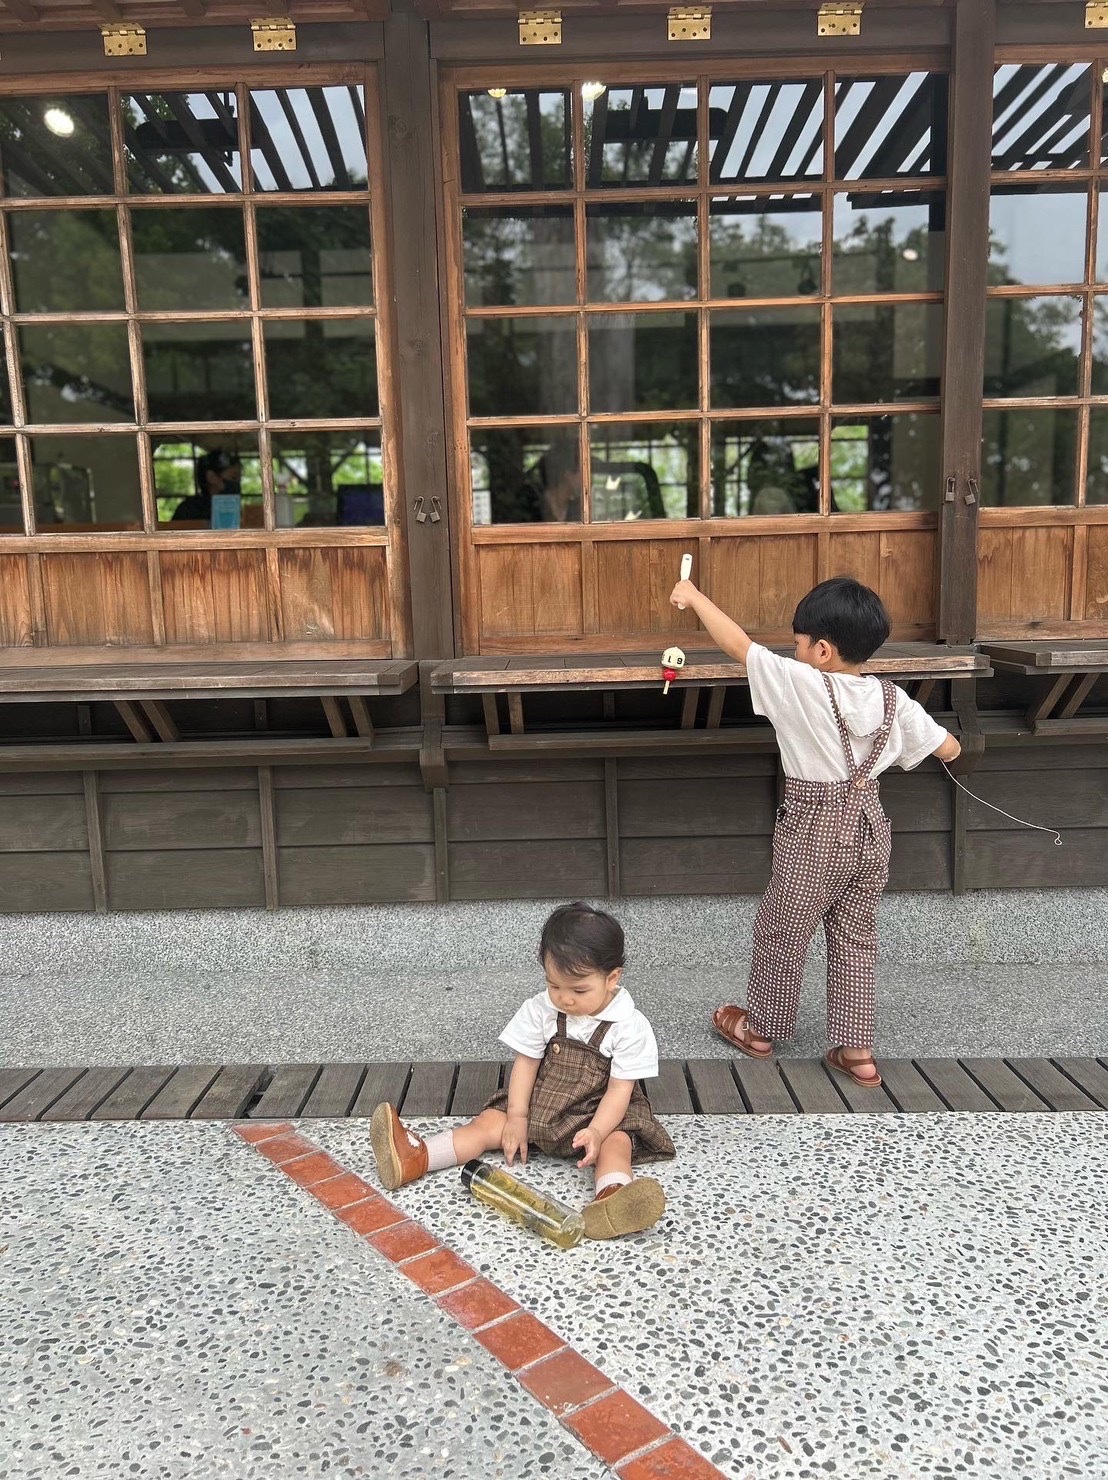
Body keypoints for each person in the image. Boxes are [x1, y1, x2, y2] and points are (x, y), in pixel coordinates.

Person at [669, 574, 962, 1090]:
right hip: (870, 828)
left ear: (822, 650)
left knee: (784, 929)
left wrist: (693, 597)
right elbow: (949, 749)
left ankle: (761, 1029)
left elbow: (739, 645)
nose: (794, 652)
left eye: (799, 643)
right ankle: (857, 1051)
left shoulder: (800, 683)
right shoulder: (892, 698)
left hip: (813, 828)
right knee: (855, 936)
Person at [370, 902, 675, 1240]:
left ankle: (611, 1198)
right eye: (554, 985)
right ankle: (417, 1157)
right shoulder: (542, 1009)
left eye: (579, 990)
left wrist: (597, 1132)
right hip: (540, 1106)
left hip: (597, 1113)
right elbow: (527, 1063)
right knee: (487, 1124)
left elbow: (619, 1091)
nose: (565, 999)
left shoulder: (629, 1025)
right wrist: (516, 1116)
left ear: (612, 978)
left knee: (618, 1142)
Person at [170, 448, 242, 522]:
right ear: (211, 477)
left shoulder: (232, 510)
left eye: (239, 479)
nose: (237, 483)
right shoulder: (189, 510)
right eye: (234, 478)